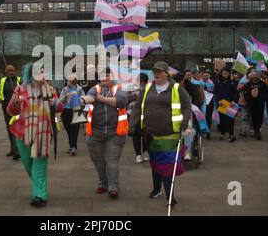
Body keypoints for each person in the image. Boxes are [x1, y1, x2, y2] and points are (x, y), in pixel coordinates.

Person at [130, 62, 191, 206]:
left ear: (166, 73)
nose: (156, 74)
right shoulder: (147, 88)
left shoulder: (177, 88)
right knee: (155, 162)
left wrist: (184, 123)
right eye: (154, 71)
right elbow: (138, 107)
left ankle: (170, 196)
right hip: (150, 134)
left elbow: (187, 107)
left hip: (170, 134)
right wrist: (132, 124)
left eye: (159, 72)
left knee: (167, 165)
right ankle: (157, 189)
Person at [7, 63, 64, 207]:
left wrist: (60, 102)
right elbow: (11, 111)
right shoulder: (21, 89)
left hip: (43, 133)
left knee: (39, 164)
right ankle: (38, 186)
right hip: (23, 133)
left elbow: (57, 108)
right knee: (28, 164)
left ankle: (39, 195)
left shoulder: (50, 89)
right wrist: (14, 101)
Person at [81, 66, 128, 199]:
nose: (105, 77)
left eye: (107, 75)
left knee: (111, 160)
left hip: (115, 133)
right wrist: (83, 100)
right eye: (102, 75)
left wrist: (102, 99)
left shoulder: (118, 89)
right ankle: (103, 183)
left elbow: (121, 101)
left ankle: (113, 187)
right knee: (98, 161)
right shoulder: (95, 89)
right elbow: (90, 97)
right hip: (95, 133)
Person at [0, 64, 21, 159]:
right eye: (9, 71)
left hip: (18, 109)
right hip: (6, 109)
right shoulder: (2, 81)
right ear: (6, 72)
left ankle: (17, 150)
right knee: (10, 129)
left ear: (14, 71)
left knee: (17, 129)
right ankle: (13, 149)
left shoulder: (19, 80)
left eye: (12, 70)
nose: (11, 72)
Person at [58, 74, 85, 156]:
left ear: (72, 81)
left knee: (75, 130)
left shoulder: (80, 90)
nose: (67, 82)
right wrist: (65, 97)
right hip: (66, 112)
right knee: (69, 130)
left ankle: (73, 147)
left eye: (68, 80)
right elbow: (60, 100)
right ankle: (72, 145)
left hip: (76, 111)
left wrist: (79, 100)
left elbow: (83, 100)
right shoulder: (65, 89)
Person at [128, 73, 149, 163]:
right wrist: (133, 95)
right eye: (139, 80)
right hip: (133, 115)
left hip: (146, 114)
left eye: (143, 81)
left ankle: (145, 152)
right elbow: (125, 99)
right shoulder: (130, 88)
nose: (141, 83)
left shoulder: (149, 89)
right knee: (135, 134)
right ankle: (138, 154)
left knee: (146, 134)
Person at [214, 68, 238, 142]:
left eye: (226, 73)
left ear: (229, 74)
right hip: (222, 103)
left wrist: (234, 100)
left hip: (230, 104)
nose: (225, 75)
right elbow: (216, 92)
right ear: (221, 73)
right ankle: (222, 133)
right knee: (222, 119)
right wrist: (218, 100)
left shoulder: (233, 82)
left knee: (230, 120)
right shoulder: (218, 82)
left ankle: (231, 134)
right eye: (224, 73)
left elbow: (236, 93)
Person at [244, 70, 267, 140]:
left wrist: (262, 100)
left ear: (258, 76)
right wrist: (248, 101)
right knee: (253, 118)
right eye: (254, 75)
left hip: (260, 104)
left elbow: (265, 93)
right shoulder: (248, 84)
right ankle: (256, 130)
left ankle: (258, 131)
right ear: (251, 76)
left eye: (256, 75)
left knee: (259, 118)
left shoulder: (262, 83)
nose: (255, 77)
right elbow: (246, 94)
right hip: (251, 104)